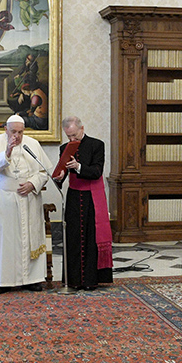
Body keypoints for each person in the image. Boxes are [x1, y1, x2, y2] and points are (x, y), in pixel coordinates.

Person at [0, 114, 52, 293]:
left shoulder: (33, 144)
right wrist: (7, 152)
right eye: (13, 131)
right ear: (6, 129)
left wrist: (32, 184)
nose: (17, 136)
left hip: (29, 197)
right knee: (5, 240)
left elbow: (44, 172)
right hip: (4, 199)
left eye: (20, 132)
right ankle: (1, 281)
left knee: (29, 237)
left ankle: (32, 279)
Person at [53, 116, 113, 291]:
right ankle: (73, 281)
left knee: (91, 239)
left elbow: (96, 171)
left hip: (92, 199)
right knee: (73, 239)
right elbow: (61, 176)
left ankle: (90, 281)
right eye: (68, 137)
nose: (72, 140)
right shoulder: (64, 148)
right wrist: (59, 177)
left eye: (74, 136)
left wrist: (78, 167)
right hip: (73, 198)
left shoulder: (97, 145)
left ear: (82, 128)